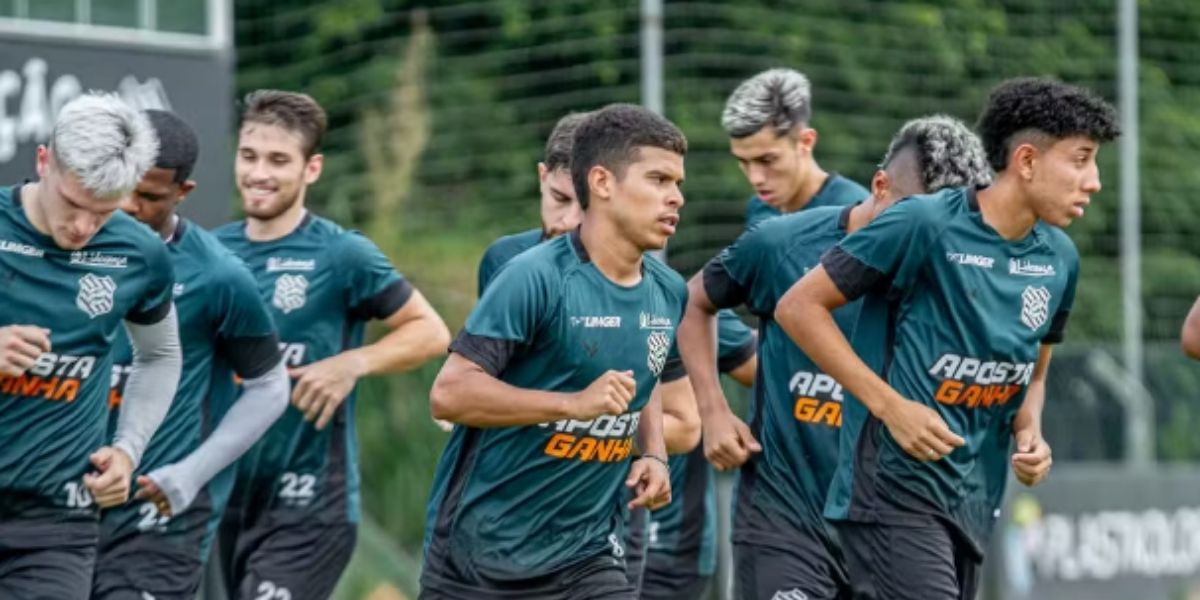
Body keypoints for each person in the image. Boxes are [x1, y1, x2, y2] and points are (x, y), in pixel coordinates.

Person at [775, 78, 1118, 599]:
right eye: (1081, 159)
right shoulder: (924, 223)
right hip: (890, 494)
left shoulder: (1060, 258)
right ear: (1026, 161)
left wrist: (1030, 431)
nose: (1092, 181)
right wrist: (891, 407)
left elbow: (1036, 371)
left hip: (972, 502)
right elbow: (798, 307)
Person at [681, 115, 992, 599]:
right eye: (915, 215)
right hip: (786, 522)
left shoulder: (943, 275)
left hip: (888, 527)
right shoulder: (781, 245)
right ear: (880, 186)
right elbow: (692, 303)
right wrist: (713, 410)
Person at [421, 104, 686, 598]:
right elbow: (450, 394)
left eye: (678, 184)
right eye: (658, 180)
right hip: (483, 553)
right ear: (603, 183)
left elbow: (643, 373)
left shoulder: (669, 291)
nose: (676, 198)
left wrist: (653, 452)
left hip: (588, 554)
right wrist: (571, 405)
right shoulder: (531, 276)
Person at [214, 90, 451, 600]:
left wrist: (351, 363)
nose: (259, 173)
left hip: (308, 503)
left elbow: (430, 332)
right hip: (219, 493)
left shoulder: (342, 254)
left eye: (278, 160)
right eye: (249, 156)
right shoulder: (211, 252)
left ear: (311, 168)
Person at [91, 109, 290, 600]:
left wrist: (192, 472)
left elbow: (270, 386)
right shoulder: (65, 246)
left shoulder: (218, 275)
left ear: (183, 193)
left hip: (157, 518)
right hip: (54, 507)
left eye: (150, 196)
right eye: (123, 189)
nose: (131, 207)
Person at [0, 92, 182, 598]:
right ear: (43, 162)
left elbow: (161, 355)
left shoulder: (139, 253)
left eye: (102, 214)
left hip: (55, 524)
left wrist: (127, 450)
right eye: (74, 204)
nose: (83, 228)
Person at [722, 68, 867, 228]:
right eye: (744, 162)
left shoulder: (857, 212)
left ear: (806, 141)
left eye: (767, 160)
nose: (755, 179)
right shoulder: (759, 208)